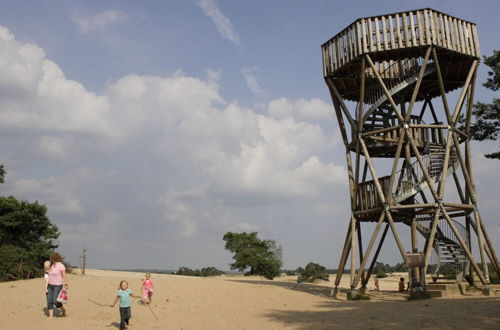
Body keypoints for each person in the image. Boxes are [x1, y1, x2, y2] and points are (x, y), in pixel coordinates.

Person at [46, 253, 68, 318]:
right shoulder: (52, 265)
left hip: (58, 286)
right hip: (49, 285)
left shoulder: (61, 265)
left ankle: (63, 309)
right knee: (49, 301)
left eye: (52, 258)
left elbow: (64, 275)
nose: (51, 259)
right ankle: (50, 316)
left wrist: (66, 283)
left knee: (55, 301)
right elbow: (49, 273)